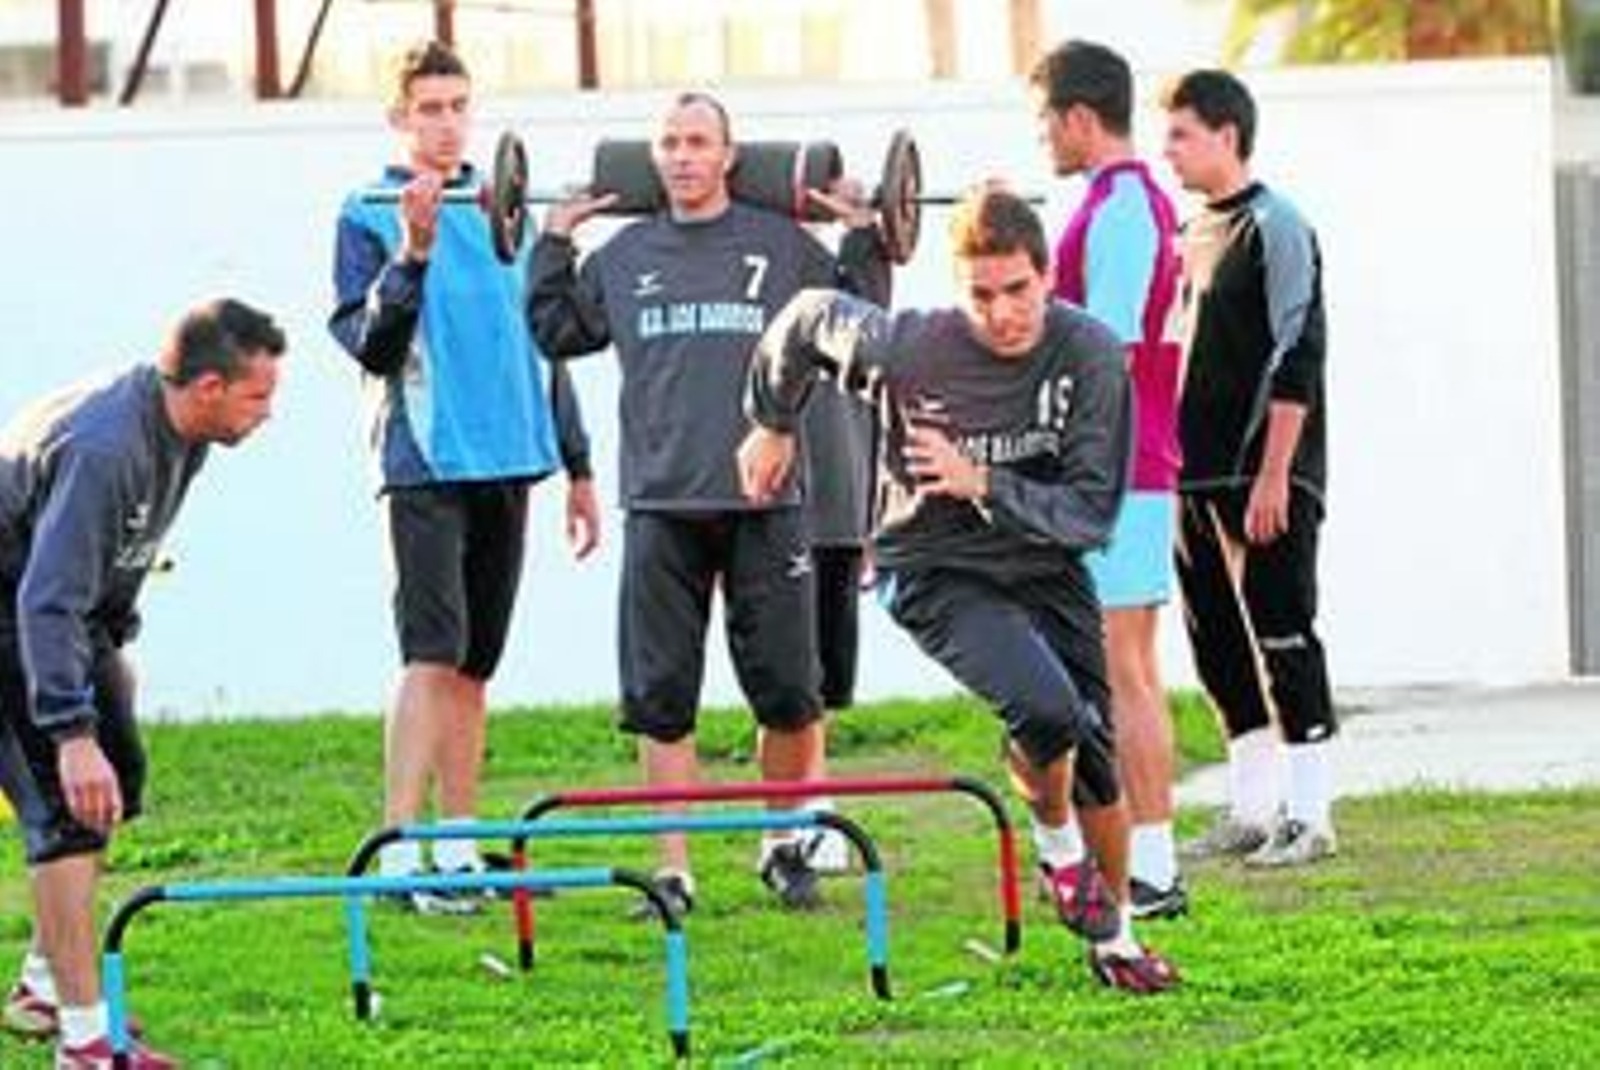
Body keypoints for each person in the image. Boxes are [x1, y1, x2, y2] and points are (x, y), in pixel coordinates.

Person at [738, 186, 1180, 993]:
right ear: (958, 288)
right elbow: (804, 318)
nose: (1003, 312)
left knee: (1096, 761)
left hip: (1045, 559)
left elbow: (1088, 514)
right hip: (936, 569)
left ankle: (1113, 941)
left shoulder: (1088, 356)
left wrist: (983, 480)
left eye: (1018, 290)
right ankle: (1058, 854)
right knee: (1048, 711)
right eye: (982, 295)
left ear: (1048, 278)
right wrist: (773, 420)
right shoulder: (910, 345)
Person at [528, 91, 890, 915]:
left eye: (699, 142)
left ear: (729, 157)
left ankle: (782, 843)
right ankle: (674, 869)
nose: (683, 156)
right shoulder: (621, 256)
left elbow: (857, 322)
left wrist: (867, 232)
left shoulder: (784, 246)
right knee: (662, 699)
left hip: (767, 502)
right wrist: (552, 242)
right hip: (661, 501)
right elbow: (556, 330)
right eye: (670, 143)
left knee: (790, 692)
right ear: (654, 158)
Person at [329, 39, 600, 912]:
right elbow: (369, 346)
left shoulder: (506, 212)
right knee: (430, 655)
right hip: (425, 465)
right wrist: (410, 253)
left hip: (513, 459)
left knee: (476, 668)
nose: (446, 125)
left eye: (458, 107)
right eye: (429, 110)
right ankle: (402, 853)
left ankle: (460, 847)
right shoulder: (367, 212)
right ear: (400, 119)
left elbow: (547, 349)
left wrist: (581, 467)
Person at [0, 298, 286, 1068]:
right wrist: (68, 731)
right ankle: (87, 1046)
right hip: (14, 613)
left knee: (115, 779)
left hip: (64, 615)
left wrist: (112, 655)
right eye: (258, 395)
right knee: (67, 810)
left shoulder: (184, 433)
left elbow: (113, 560)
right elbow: (44, 598)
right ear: (207, 387)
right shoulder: (105, 448)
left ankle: (41, 985)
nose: (269, 413)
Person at [1161, 69, 1337, 867]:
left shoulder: (1279, 225)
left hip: (1263, 476)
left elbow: (1299, 354)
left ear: (1226, 135)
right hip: (1189, 481)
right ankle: (1251, 811)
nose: (1168, 151)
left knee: (1282, 632)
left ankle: (1311, 816)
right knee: (1218, 648)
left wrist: (1275, 474)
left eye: (1180, 134)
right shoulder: (1189, 234)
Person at [1029, 40, 1187, 917]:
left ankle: (1154, 868)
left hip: (1120, 467)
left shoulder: (1123, 208)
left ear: (1080, 118)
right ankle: (1134, 854)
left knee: (1123, 664)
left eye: (1046, 121)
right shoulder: (1110, 203)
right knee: (1114, 663)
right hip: (1115, 465)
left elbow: (1112, 350)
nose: (1043, 138)